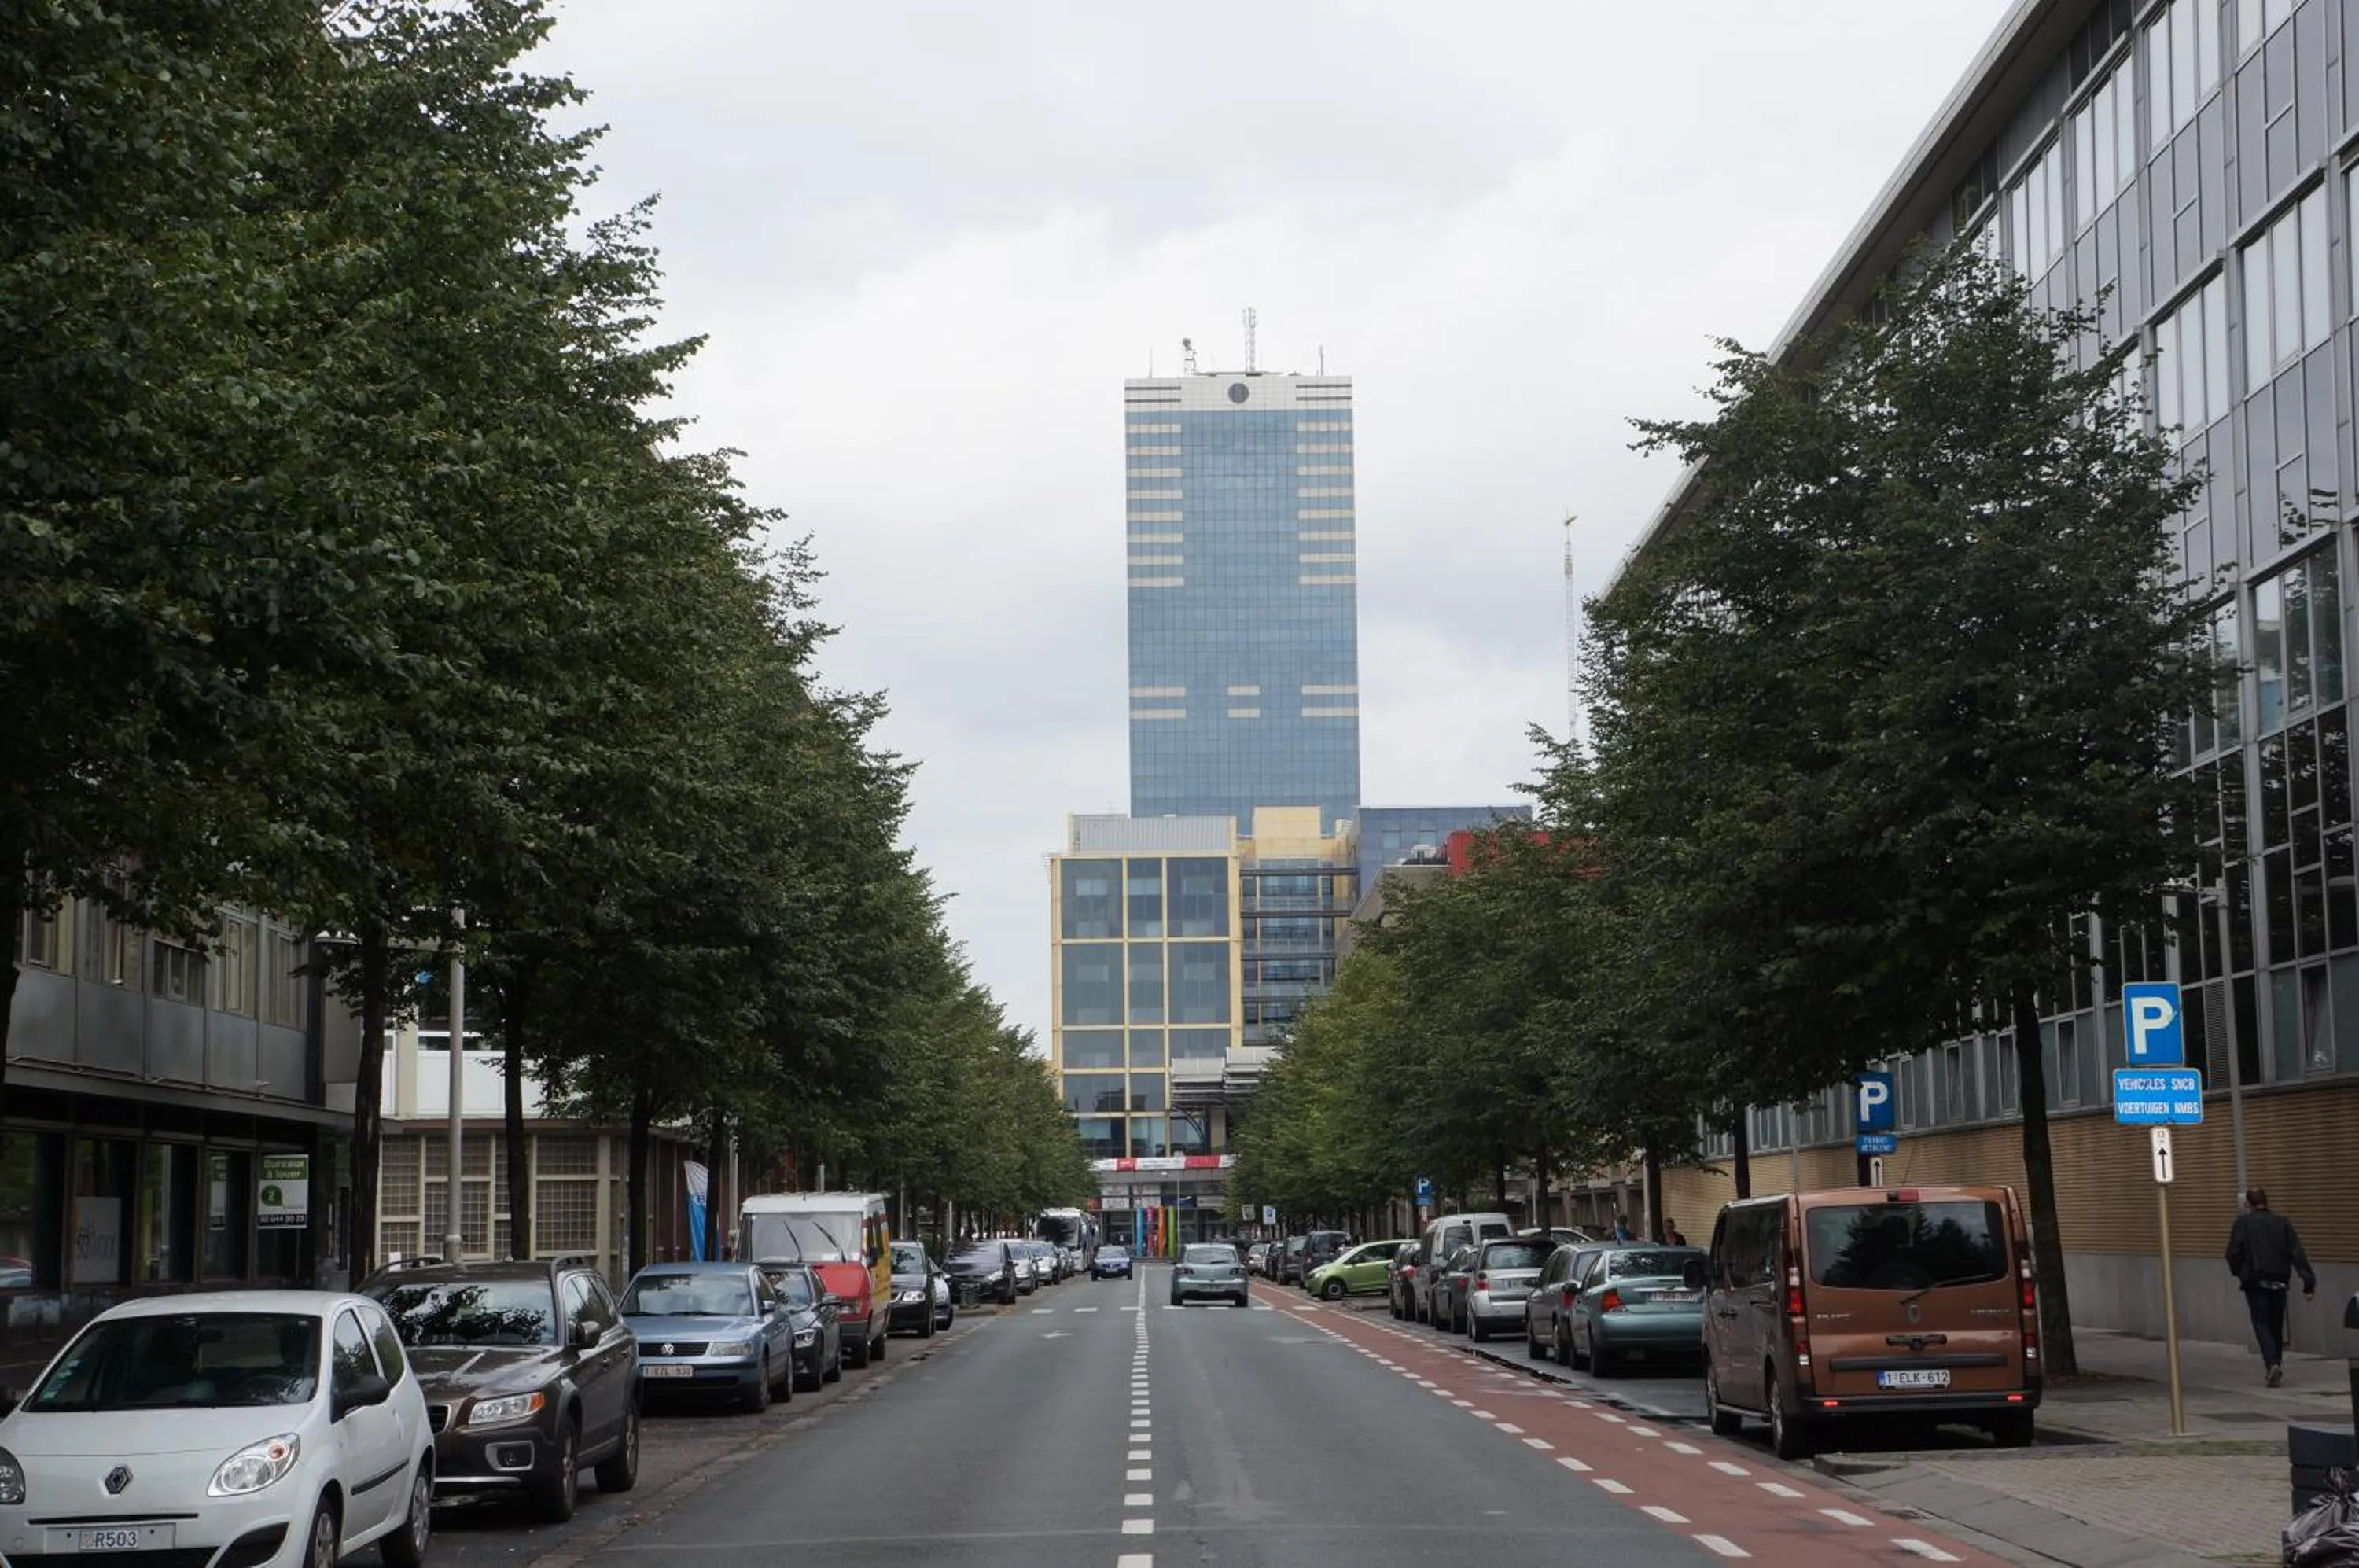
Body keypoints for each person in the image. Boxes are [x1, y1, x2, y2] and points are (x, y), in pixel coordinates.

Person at [2225, 1186, 2316, 1386]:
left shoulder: (2243, 1224)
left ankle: (2272, 1363)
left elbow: (2233, 1253)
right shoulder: (2282, 1223)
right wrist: (2308, 1283)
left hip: (2255, 1281)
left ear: (2248, 1203)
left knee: (2261, 1323)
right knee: (2275, 1324)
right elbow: (2297, 1253)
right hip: (2279, 1280)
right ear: (2266, 1202)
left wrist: (2240, 1273)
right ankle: (2276, 1363)